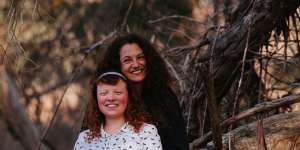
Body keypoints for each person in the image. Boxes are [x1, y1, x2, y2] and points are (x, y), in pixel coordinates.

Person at [96, 33, 189, 150]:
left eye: (140, 57)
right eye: (127, 60)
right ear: (117, 65)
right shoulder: (109, 101)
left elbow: (179, 143)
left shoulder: (164, 96)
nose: (136, 64)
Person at [74, 70, 162, 150]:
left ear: (129, 97)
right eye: (103, 93)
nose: (111, 98)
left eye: (118, 93)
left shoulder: (146, 132)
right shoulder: (84, 138)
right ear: (96, 99)